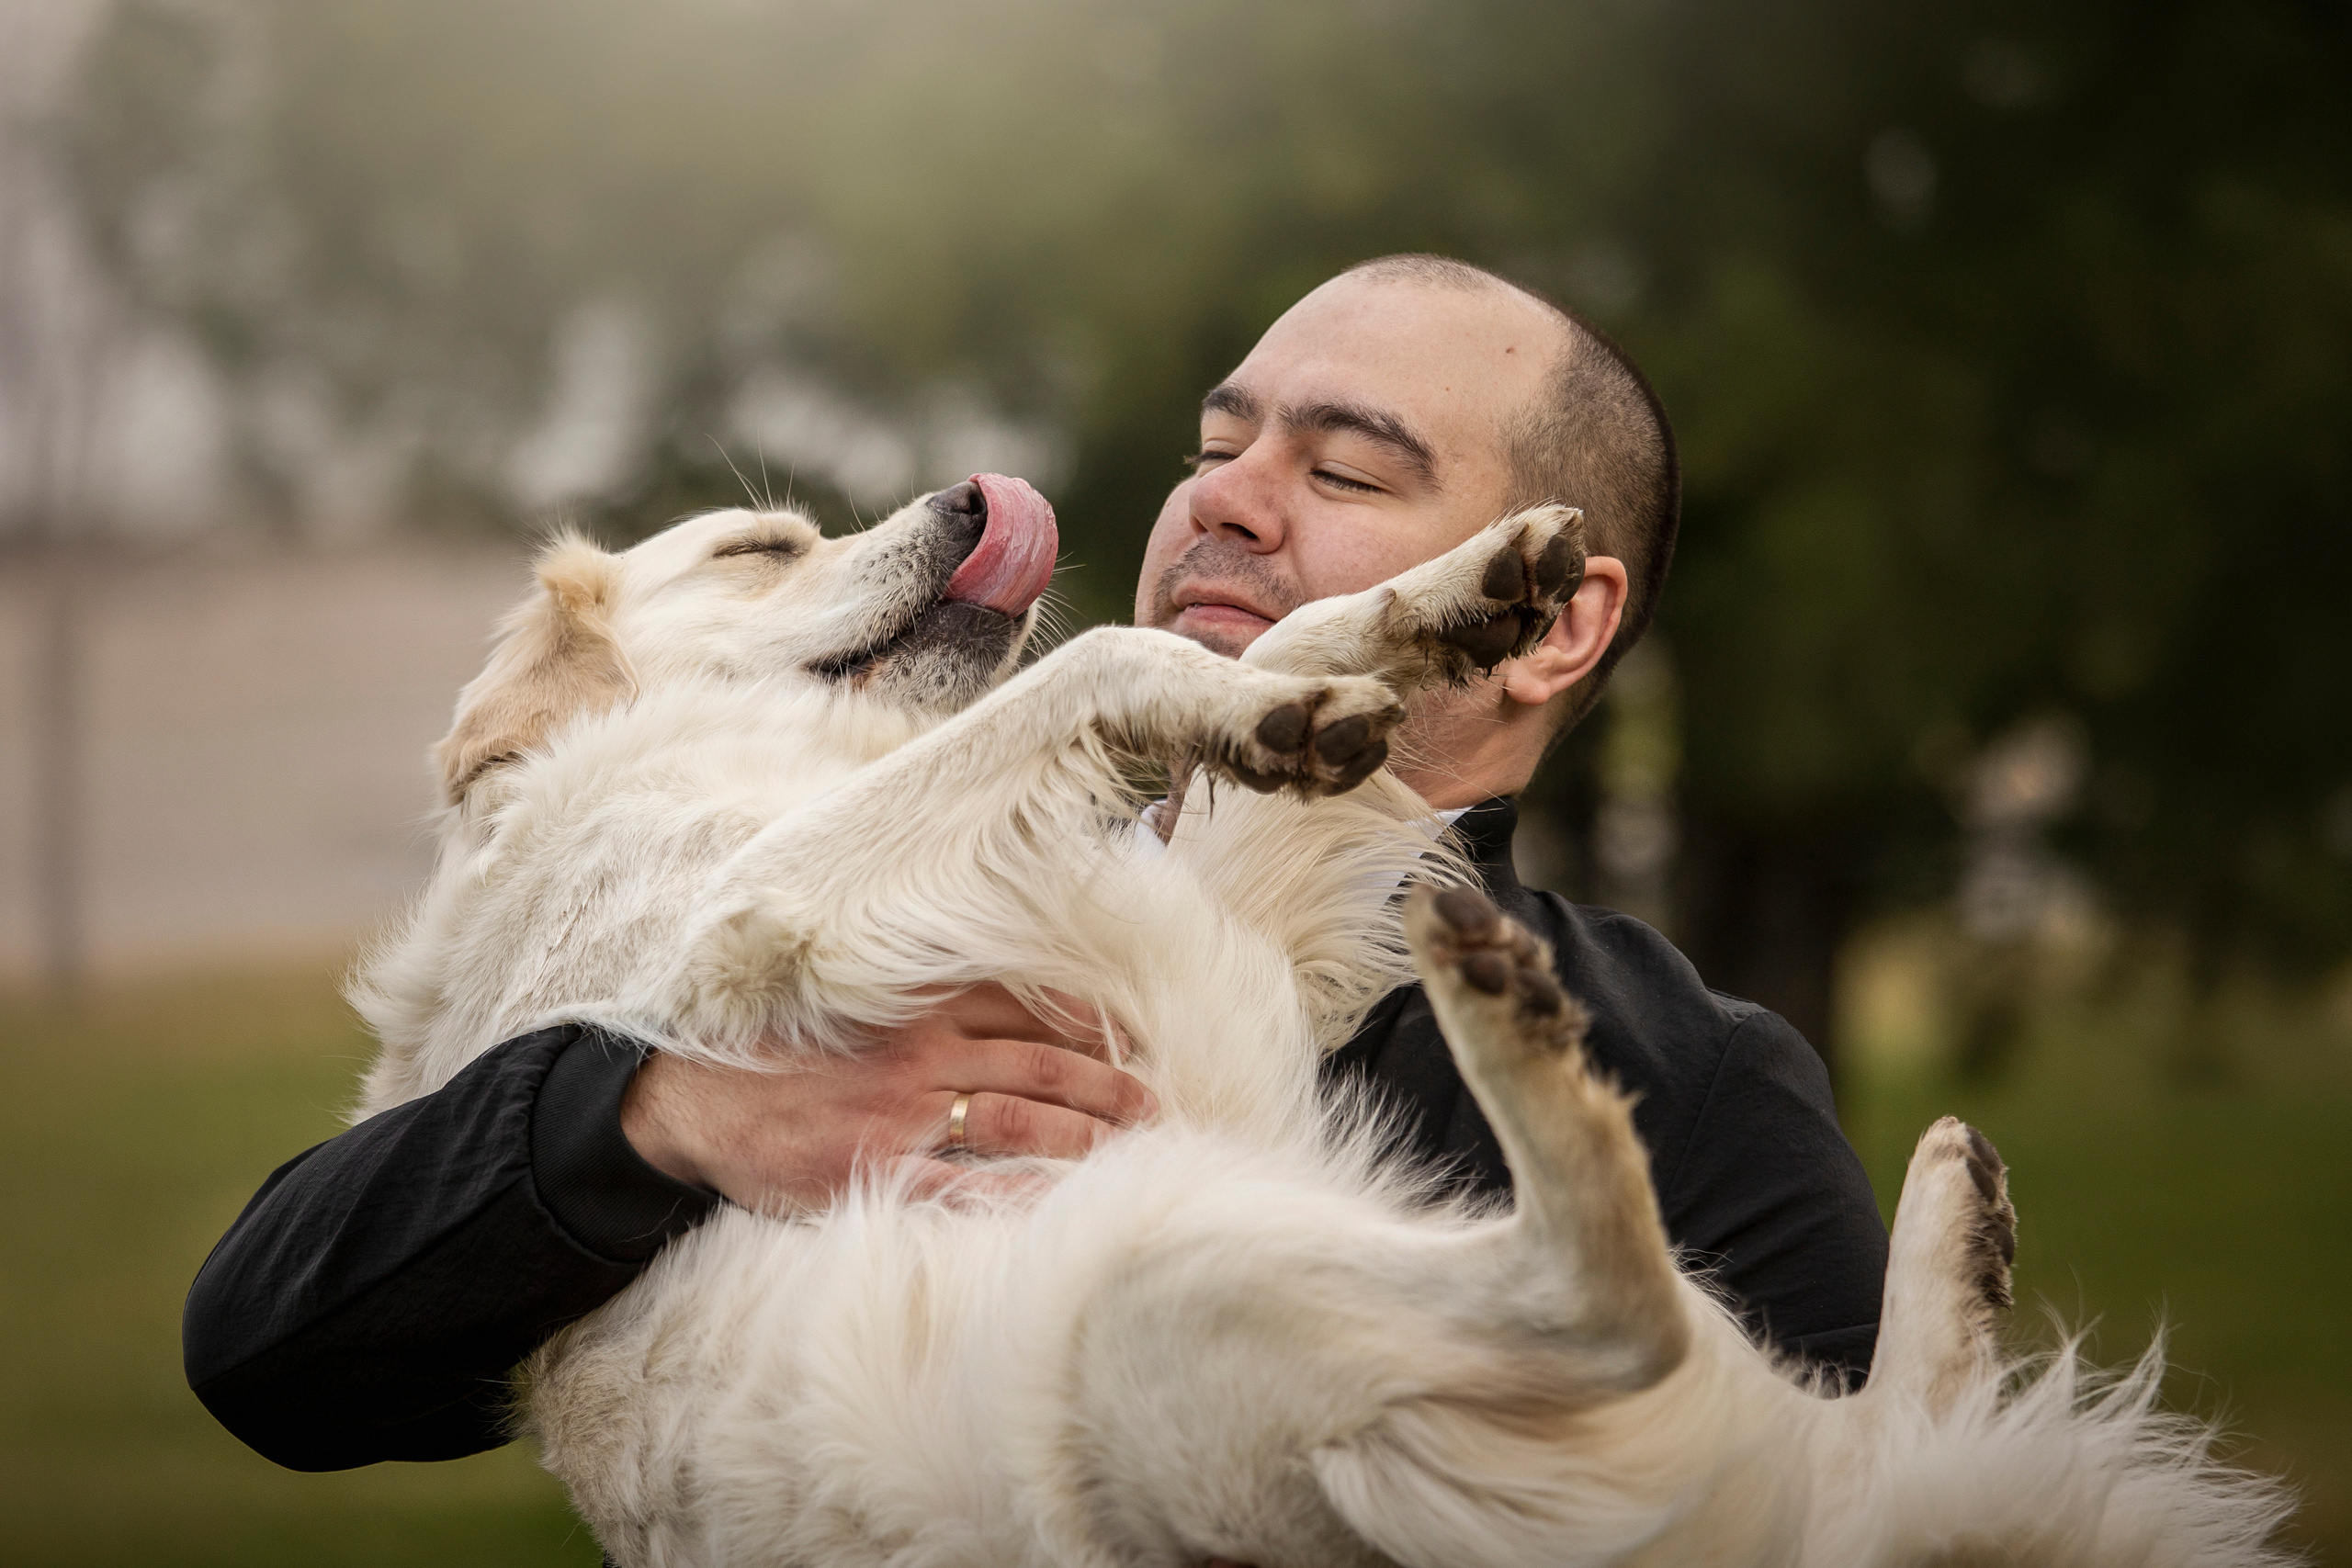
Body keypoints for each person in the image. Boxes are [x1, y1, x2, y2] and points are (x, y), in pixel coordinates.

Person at [184, 255, 1887, 1476]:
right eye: (1217, 448)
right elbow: (271, 1353)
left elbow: (1824, 1518)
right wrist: (663, 1115)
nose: (1231, 500)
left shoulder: (1699, 1099)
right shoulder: (837, 911)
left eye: (1344, 465)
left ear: (1555, 620)